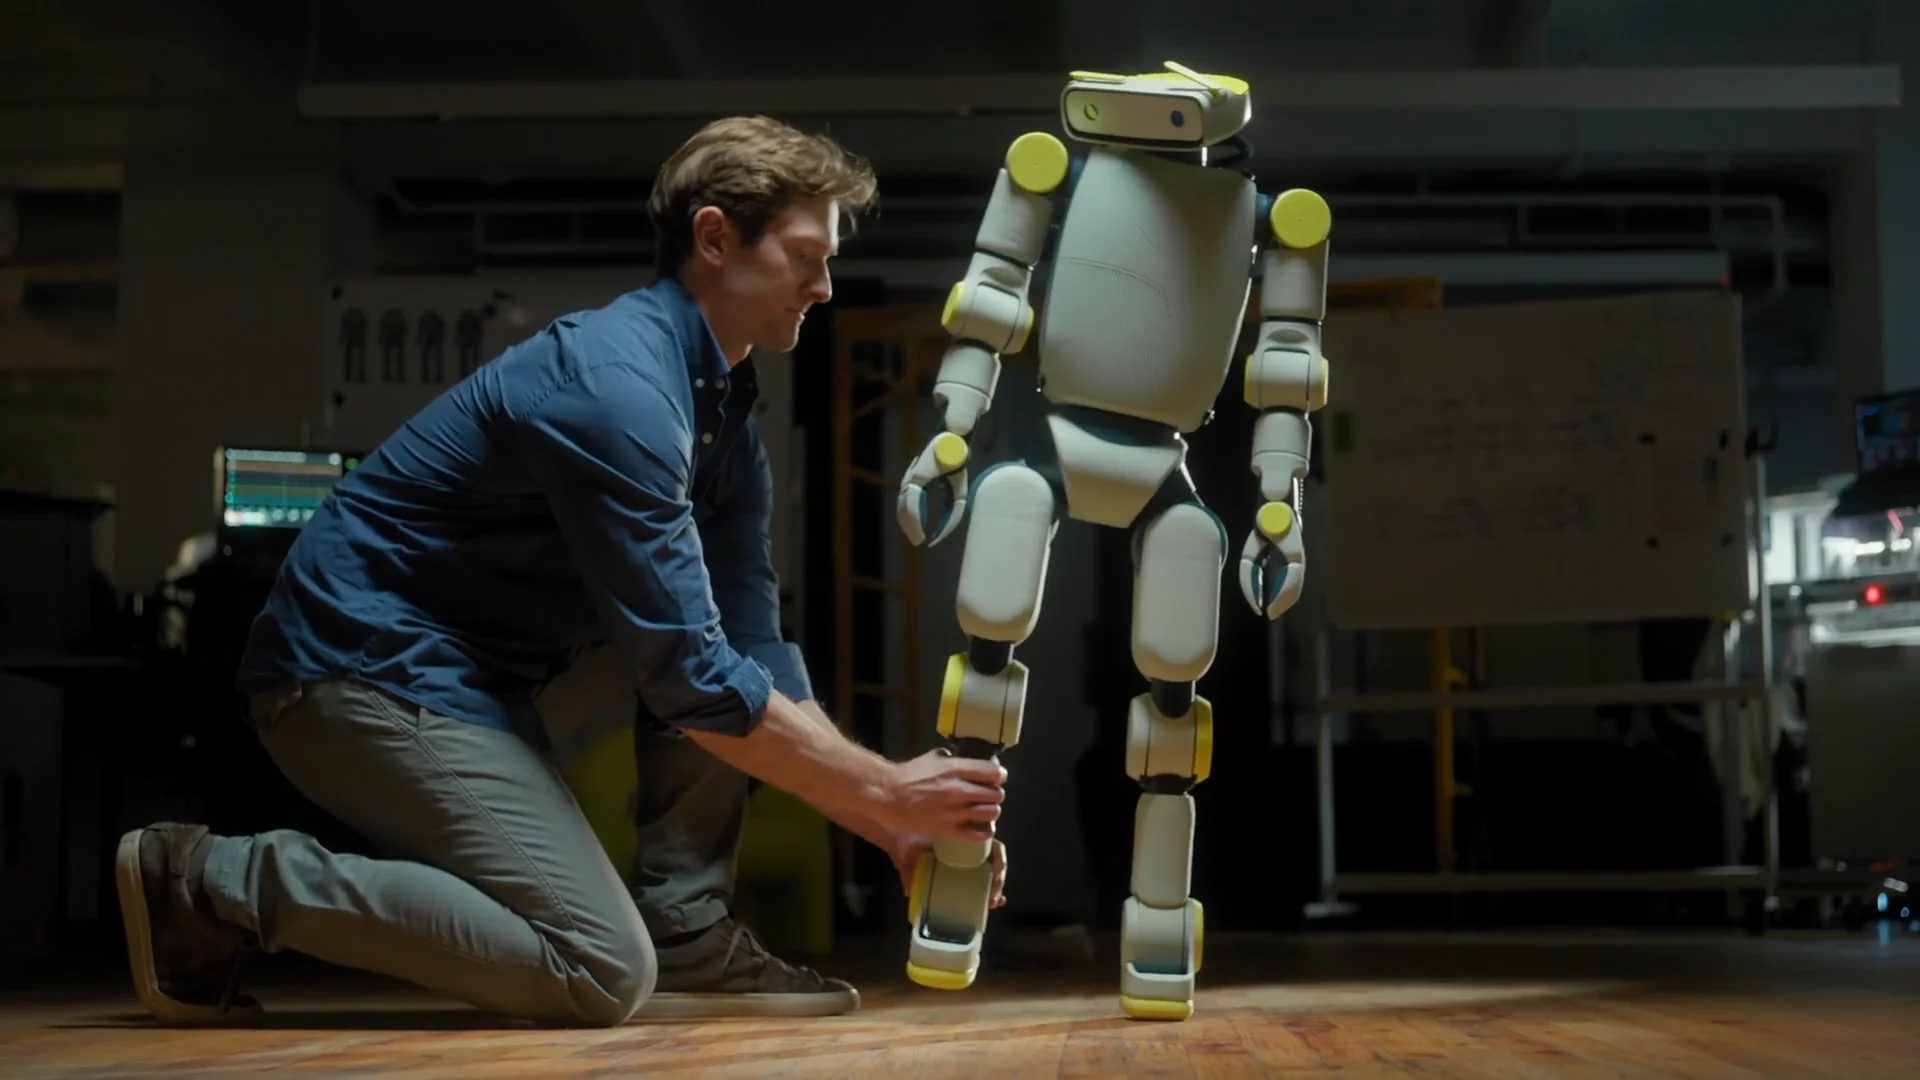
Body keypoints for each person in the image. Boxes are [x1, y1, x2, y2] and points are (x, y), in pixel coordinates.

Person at [114, 115, 1010, 1028]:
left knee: (719, 650)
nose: (824, 287)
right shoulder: (617, 387)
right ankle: (210, 880)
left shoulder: (724, 421)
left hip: (484, 677)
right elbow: (695, 680)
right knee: (598, 969)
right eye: (806, 256)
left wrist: (888, 819)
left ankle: (687, 930)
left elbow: (747, 648)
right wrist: (885, 789)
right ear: (713, 238)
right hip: (355, 673)